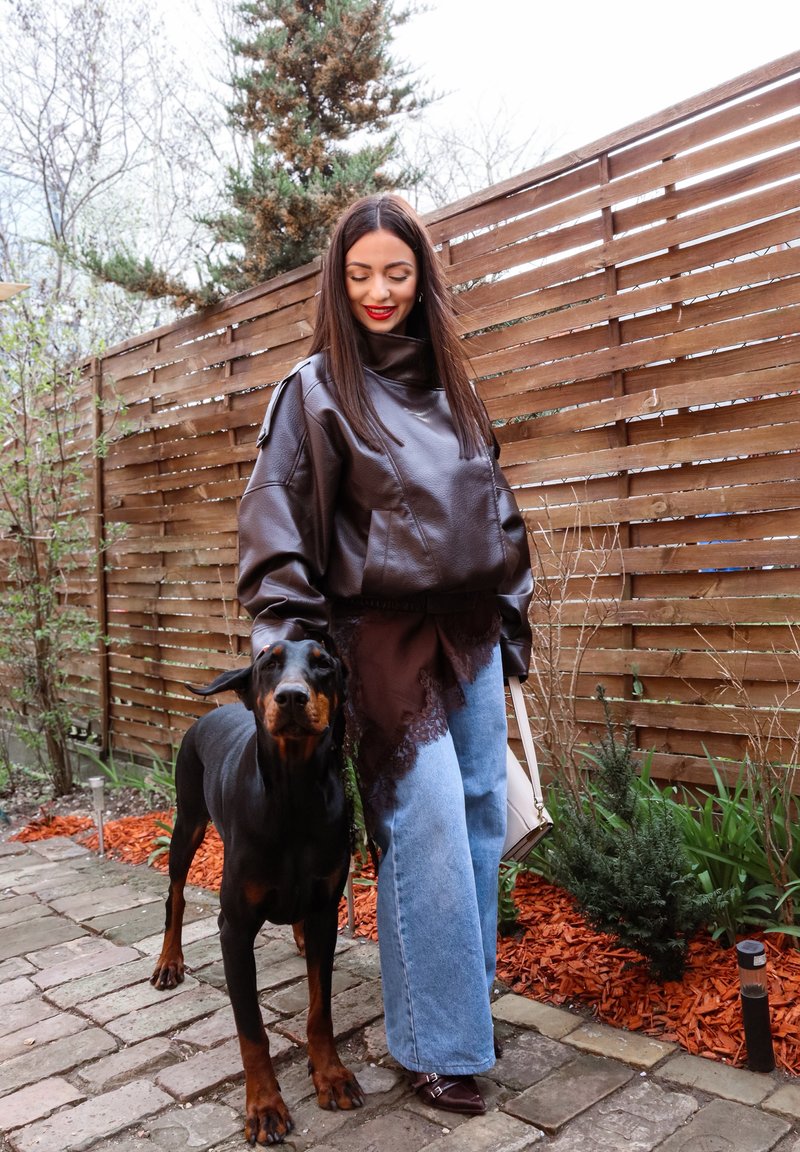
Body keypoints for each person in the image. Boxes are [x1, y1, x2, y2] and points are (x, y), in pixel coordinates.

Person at [237, 193, 533, 1116]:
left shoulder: (454, 388)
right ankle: (435, 1045)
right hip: (379, 642)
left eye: (396, 272)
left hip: (470, 631)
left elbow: (500, 512)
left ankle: (459, 1009)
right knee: (428, 822)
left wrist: (512, 620)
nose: (379, 290)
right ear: (338, 279)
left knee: (479, 817)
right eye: (360, 273)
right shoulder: (313, 391)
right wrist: (293, 654)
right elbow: (276, 530)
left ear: (421, 278)